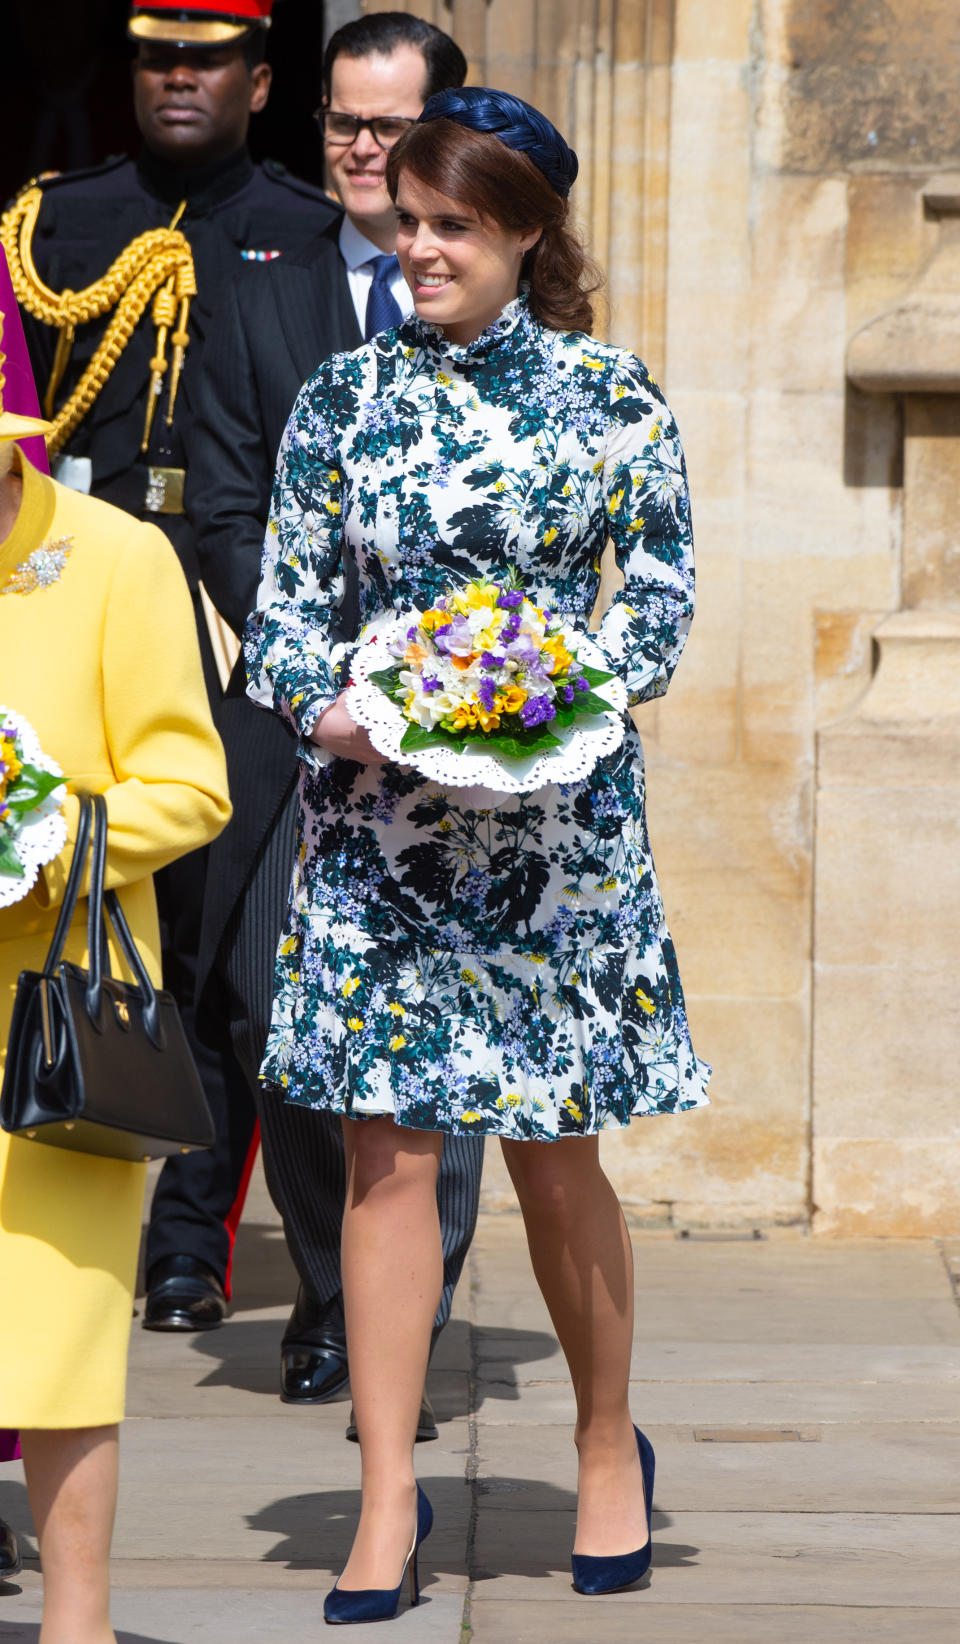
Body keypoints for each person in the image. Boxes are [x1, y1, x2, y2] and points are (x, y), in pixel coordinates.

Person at [246, 87, 712, 1621]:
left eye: (455, 224)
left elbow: (654, 603)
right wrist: (343, 714)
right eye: (409, 220)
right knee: (385, 1157)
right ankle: (387, 1492)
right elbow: (287, 622)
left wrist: (539, 687)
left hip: (556, 836)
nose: (420, 245)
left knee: (554, 1156)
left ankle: (598, 1446)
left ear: (524, 231)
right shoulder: (343, 401)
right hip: (382, 835)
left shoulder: (611, 396)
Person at [2, 0, 341, 1336]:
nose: (179, 78)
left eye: (207, 59)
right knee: (70, 901)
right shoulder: (53, 226)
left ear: (261, 81)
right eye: (158, 57)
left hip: (226, 607)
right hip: (76, 590)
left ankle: (191, 1245)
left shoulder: (311, 235)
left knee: (222, 952)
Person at [189, 12, 480, 1427]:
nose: (360, 150)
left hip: (467, 745)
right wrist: (328, 669)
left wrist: (441, 676)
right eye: (342, 123)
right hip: (297, 729)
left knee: (442, 1029)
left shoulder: (488, 286)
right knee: (275, 1015)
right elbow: (228, 504)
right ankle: (328, 1294)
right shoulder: (257, 281)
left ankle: (399, 1327)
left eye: (388, 124)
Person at [0, 259, 230, 1643]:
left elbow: (189, 786)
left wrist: (41, 831)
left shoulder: (115, 556)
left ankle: (78, 1620)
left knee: (60, 1330)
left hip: (56, 1007)